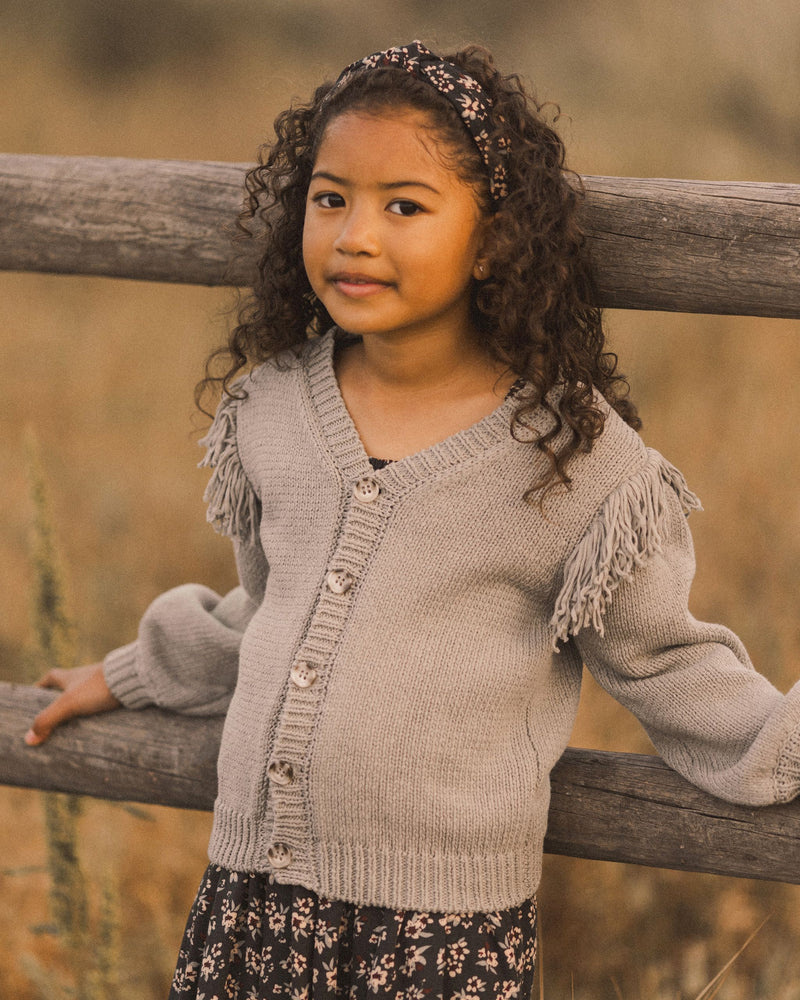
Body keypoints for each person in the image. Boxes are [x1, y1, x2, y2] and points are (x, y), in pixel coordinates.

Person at [23, 40, 800, 1000]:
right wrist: (136, 671)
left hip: (439, 938)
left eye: (405, 206)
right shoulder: (271, 410)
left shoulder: (572, 458)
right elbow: (271, 610)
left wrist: (781, 743)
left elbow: (664, 660)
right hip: (250, 908)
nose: (355, 236)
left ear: (491, 241)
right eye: (331, 197)